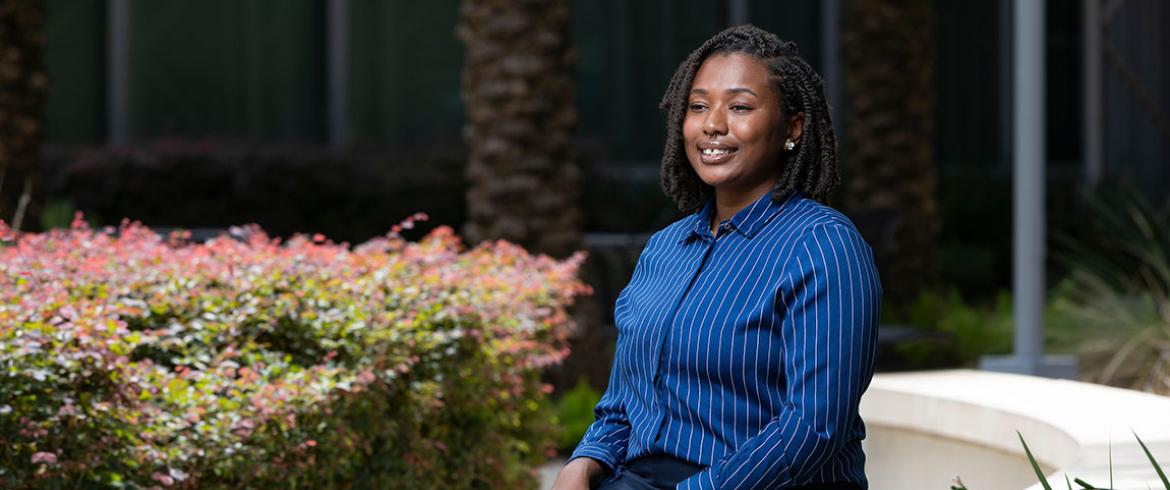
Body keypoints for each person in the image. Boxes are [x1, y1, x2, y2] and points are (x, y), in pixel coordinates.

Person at [551, 24, 881, 490]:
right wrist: (584, 462)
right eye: (699, 106)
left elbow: (813, 428)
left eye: (740, 107)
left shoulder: (822, 246)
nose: (713, 125)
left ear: (793, 126)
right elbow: (626, 403)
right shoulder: (665, 249)